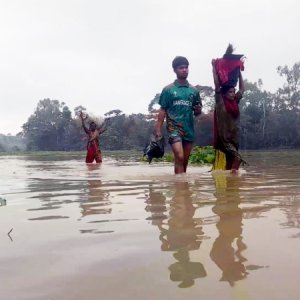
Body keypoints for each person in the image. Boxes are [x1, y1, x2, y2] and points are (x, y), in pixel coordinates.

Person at [154, 56, 202, 174]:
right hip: (174, 128)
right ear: (175, 70)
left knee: (184, 161)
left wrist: (198, 110)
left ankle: (181, 188)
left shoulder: (194, 91)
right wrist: (158, 130)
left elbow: (197, 112)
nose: (184, 70)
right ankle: (180, 187)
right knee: (179, 156)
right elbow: (162, 110)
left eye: (186, 67)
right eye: (181, 68)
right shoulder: (168, 90)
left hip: (189, 129)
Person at [211, 53, 246, 173]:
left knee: (230, 162)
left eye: (233, 91)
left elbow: (242, 89)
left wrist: (239, 70)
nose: (233, 93)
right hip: (224, 139)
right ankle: (233, 179)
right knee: (237, 158)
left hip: (234, 139)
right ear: (225, 93)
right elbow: (216, 85)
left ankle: (229, 188)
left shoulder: (235, 101)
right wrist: (213, 68)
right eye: (231, 92)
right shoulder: (220, 101)